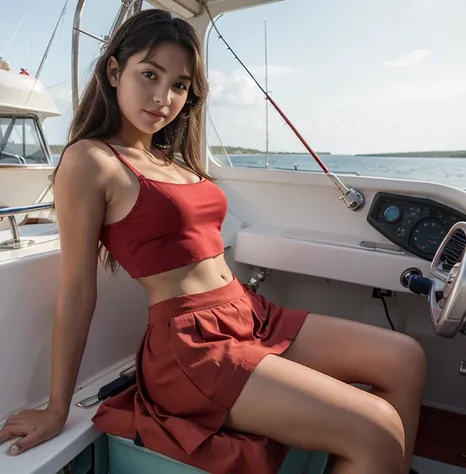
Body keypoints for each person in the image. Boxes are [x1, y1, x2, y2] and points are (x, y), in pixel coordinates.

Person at [0, 9, 426, 474]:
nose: (164, 97)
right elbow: (78, 292)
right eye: (149, 74)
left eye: (180, 85)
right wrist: (57, 408)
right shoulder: (91, 160)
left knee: (405, 358)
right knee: (375, 427)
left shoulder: (170, 157)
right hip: (192, 345)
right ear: (114, 71)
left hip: (248, 311)